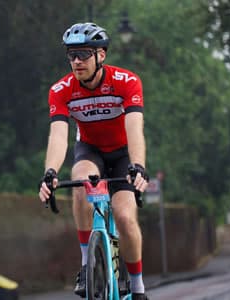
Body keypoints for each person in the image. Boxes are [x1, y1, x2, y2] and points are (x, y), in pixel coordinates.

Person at [38, 23, 149, 299]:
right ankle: (87, 263)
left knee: (124, 216)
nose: (77, 61)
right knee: (80, 181)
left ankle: (137, 288)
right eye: (71, 55)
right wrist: (50, 172)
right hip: (90, 150)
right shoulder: (61, 90)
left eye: (84, 54)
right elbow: (59, 135)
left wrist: (138, 167)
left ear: (102, 55)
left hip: (124, 153)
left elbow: (135, 128)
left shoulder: (127, 81)